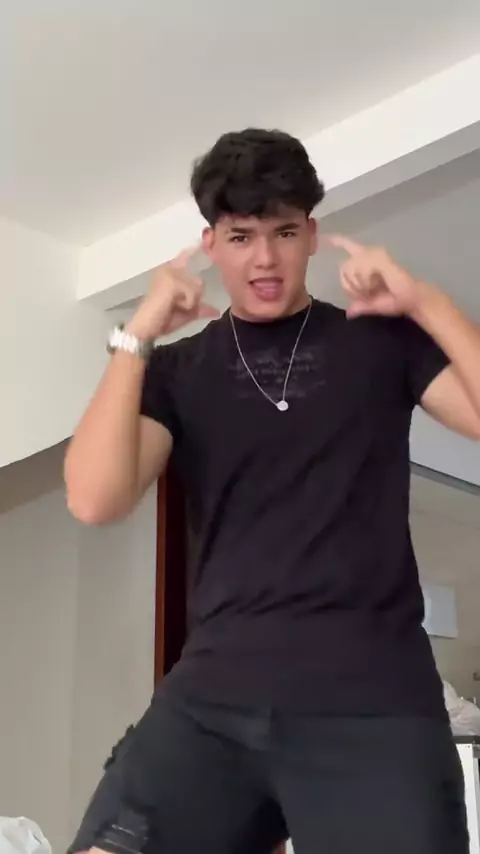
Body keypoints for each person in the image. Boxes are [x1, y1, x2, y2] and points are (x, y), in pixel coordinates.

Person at [64, 128, 480, 854]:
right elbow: (95, 500)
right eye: (241, 236)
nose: (264, 258)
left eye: (284, 232)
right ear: (211, 244)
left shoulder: (379, 342)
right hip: (214, 697)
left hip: (372, 700)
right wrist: (139, 334)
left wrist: (425, 302)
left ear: (311, 236)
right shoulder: (179, 371)